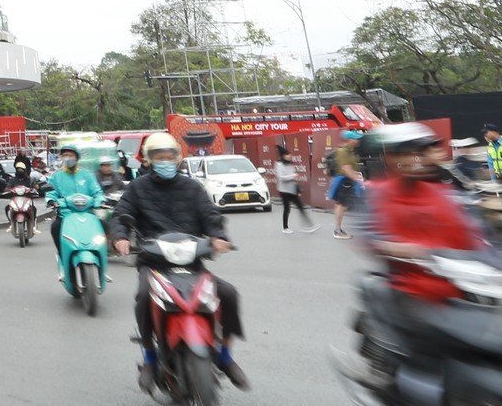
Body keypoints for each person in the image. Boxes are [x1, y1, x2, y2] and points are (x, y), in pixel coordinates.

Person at [352, 123, 502, 386]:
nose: (416, 159)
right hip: (409, 289)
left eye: (421, 152)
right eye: (408, 153)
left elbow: (475, 233)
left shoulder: (443, 192)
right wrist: (398, 249)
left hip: (455, 285)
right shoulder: (378, 194)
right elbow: (368, 236)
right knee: (423, 368)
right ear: (393, 158)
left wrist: (501, 266)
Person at [110, 132, 247, 391]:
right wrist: (120, 238)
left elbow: (211, 216)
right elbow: (121, 214)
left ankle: (225, 355)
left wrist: (218, 237)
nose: (165, 161)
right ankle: (150, 357)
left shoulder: (192, 187)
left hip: (192, 262)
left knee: (228, 293)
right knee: (143, 295)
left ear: (177, 158)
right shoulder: (138, 188)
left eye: (169, 156)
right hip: (154, 262)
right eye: (159, 157)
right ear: (148, 161)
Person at [45, 145, 103, 251]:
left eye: (70, 155)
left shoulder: (87, 175)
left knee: (104, 226)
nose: (68, 158)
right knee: (55, 228)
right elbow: (51, 192)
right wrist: (51, 201)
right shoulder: (56, 176)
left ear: (76, 158)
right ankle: (63, 255)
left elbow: (97, 191)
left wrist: (100, 201)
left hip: (88, 214)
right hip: (65, 215)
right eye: (65, 155)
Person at [330, 131, 365, 238]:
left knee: (342, 205)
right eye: (356, 139)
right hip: (344, 181)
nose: (358, 141)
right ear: (350, 140)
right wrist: (359, 181)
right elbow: (346, 169)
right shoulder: (343, 151)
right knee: (342, 205)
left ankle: (338, 229)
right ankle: (337, 231)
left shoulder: (350, 151)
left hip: (348, 180)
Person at [274, 151, 318, 233]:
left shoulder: (290, 164)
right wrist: (293, 176)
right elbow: (281, 178)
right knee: (287, 209)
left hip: (292, 190)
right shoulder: (279, 165)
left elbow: (293, 175)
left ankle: (307, 226)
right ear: (283, 156)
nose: (289, 156)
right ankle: (285, 228)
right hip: (284, 190)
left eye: (289, 154)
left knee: (301, 207)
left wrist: (297, 187)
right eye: (287, 155)